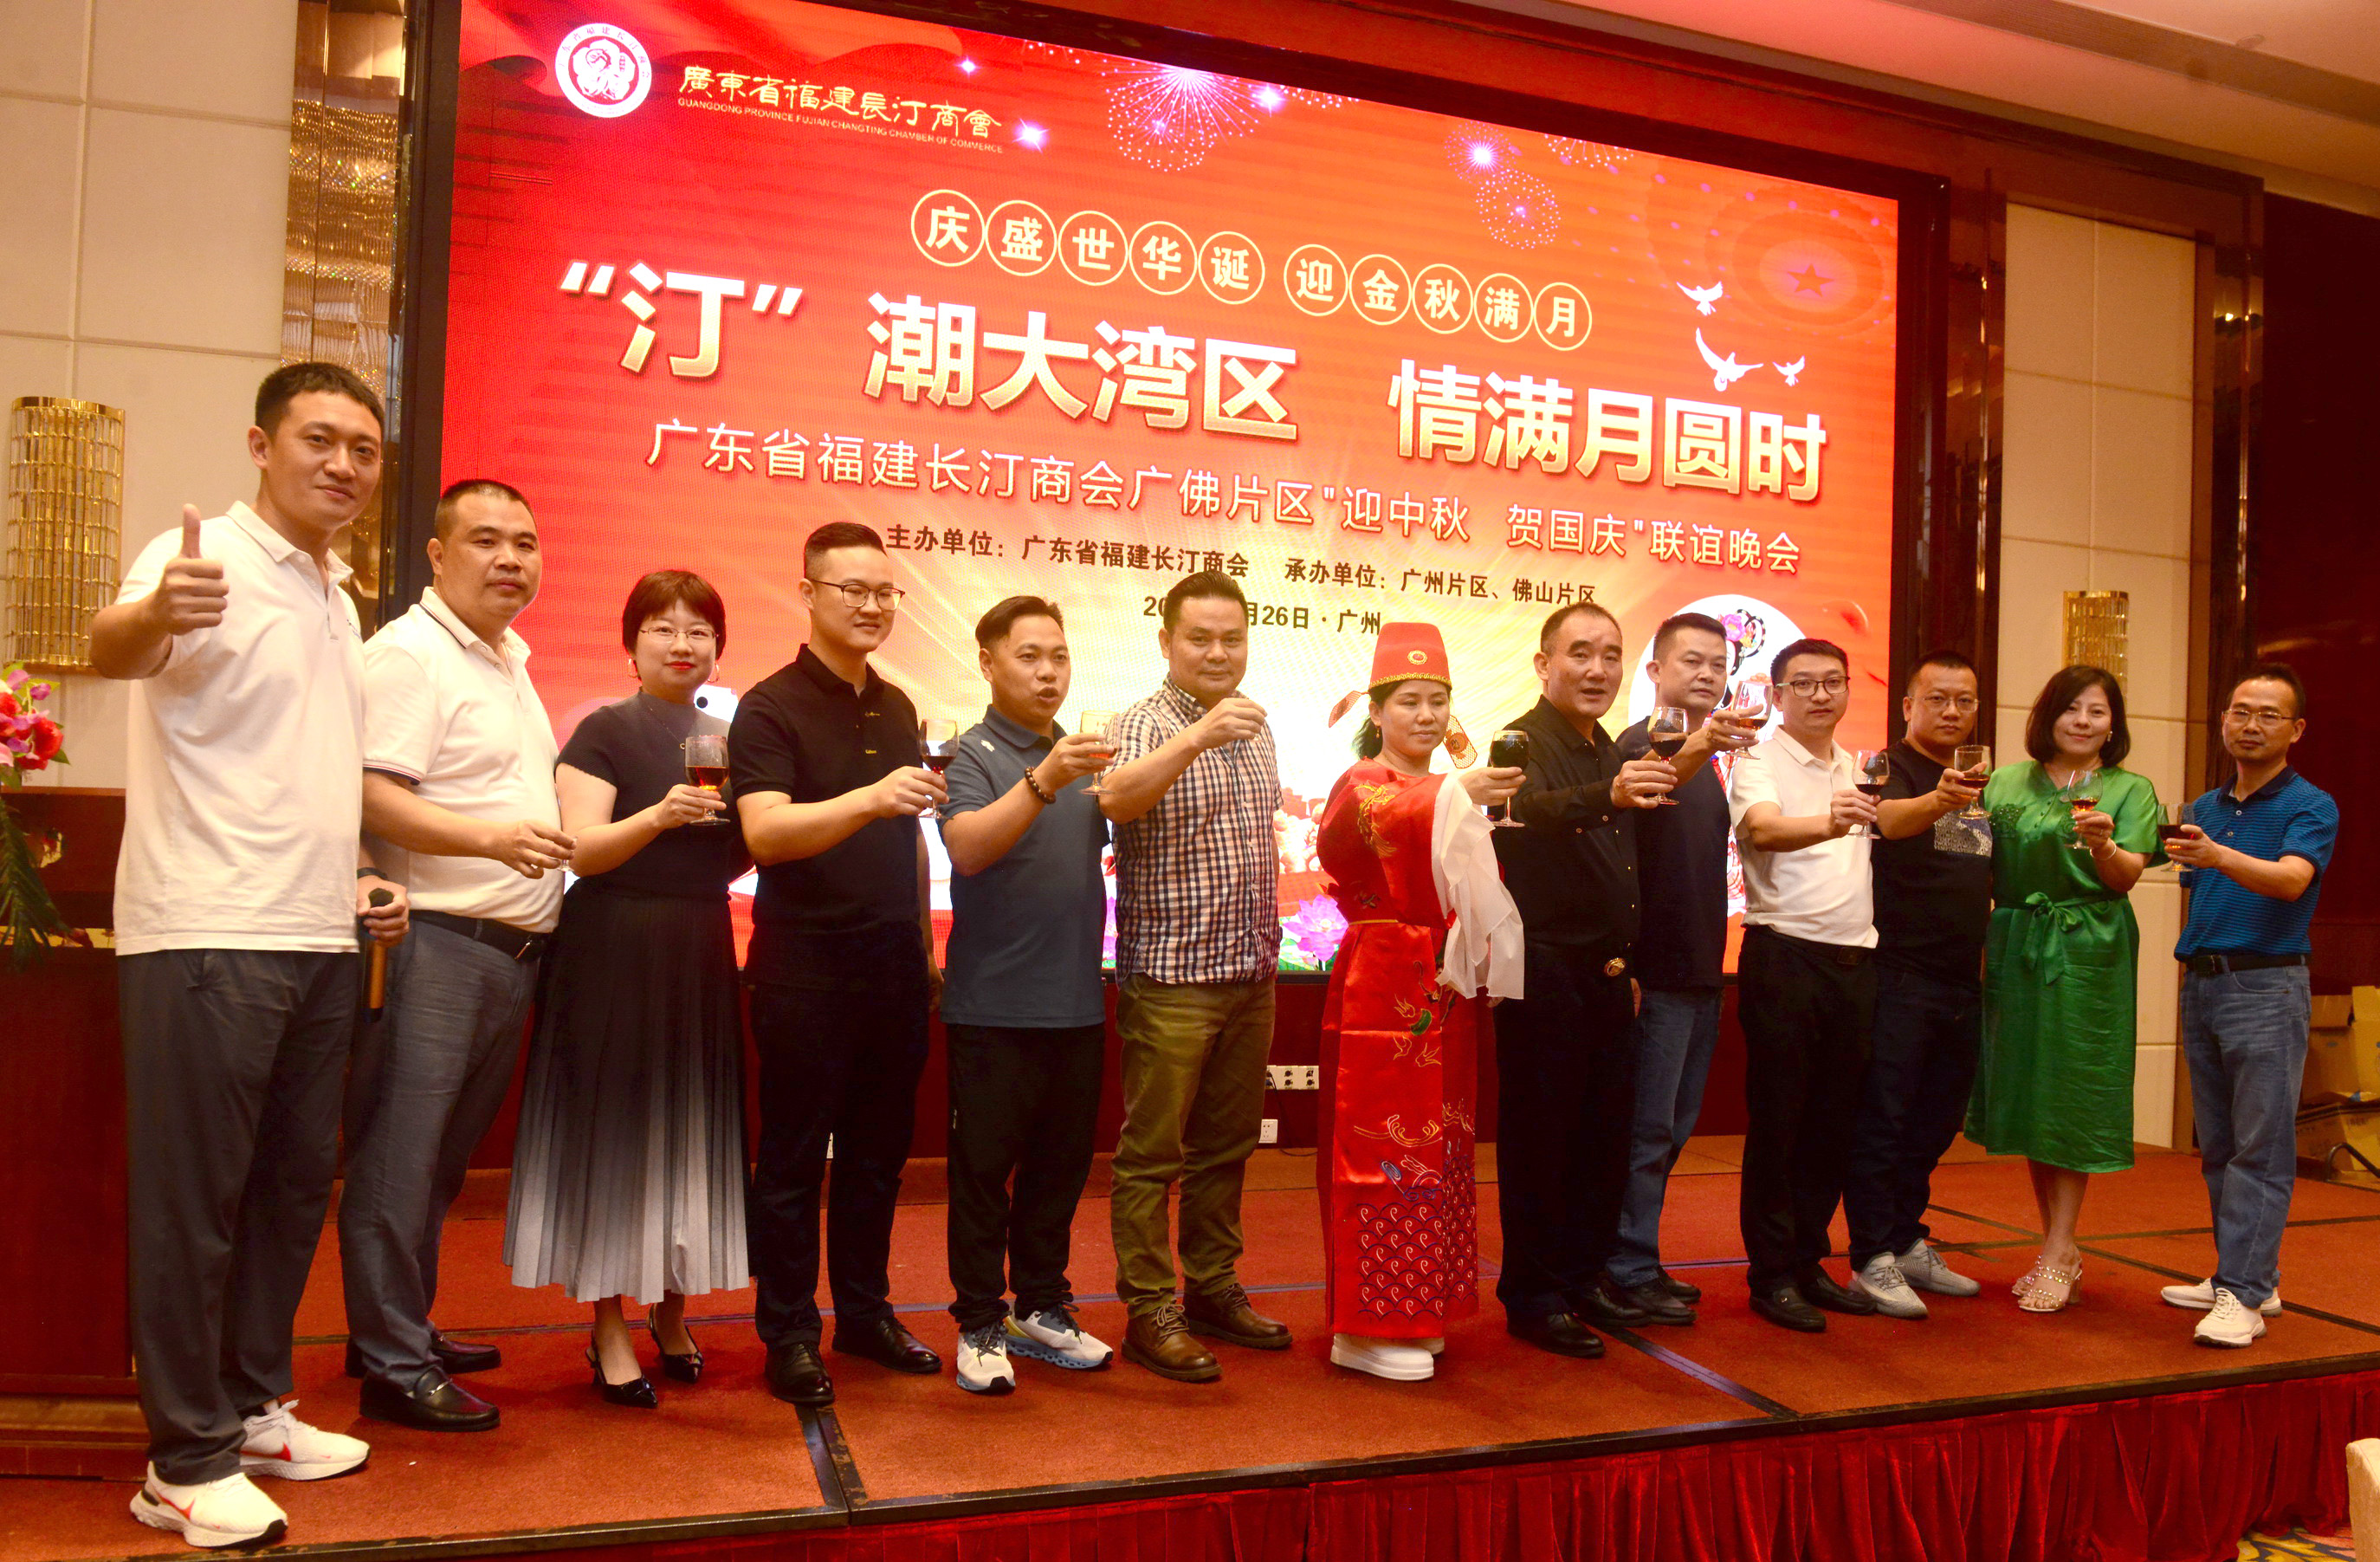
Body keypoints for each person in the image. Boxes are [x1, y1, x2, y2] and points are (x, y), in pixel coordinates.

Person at [90, 362, 402, 1548]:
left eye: (363, 448)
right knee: (195, 1204)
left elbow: (305, 761)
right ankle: (181, 1459)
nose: (343, 465)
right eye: (319, 439)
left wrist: (357, 875)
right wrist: (155, 613)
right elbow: (115, 647)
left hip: (317, 929)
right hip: (206, 927)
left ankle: (253, 1407)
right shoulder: (201, 559)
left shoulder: (336, 592)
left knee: (287, 1189)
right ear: (262, 445)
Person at [346, 478, 570, 1431]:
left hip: (504, 951)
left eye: (525, 541)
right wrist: (492, 841)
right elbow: (370, 795)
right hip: (436, 943)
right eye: (485, 540)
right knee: (400, 1160)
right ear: (437, 556)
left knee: (436, 1164)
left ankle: (401, 1327)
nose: (510, 558)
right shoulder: (412, 655)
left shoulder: (506, 657)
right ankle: (391, 1364)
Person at [505, 571, 749, 1406]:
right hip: (612, 945)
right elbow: (580, 848)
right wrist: (657, 817)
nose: (682, 644)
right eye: (662, 629)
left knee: (690, 1126)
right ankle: (608, 1322)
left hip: (699, 945)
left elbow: (736, 851)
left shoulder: (728, 738)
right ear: (631, 644)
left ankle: (673, 1312)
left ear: (718, 649)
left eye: (699, 631)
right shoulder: (603, 729)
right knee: (613, 1136)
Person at [730, 523, 945, 1409]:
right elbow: (765, 833)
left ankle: (863, 1313)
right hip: (804, 973)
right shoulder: (769, 706)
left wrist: (925, 945)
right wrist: (868, 797)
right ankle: (788, 1331)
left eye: (884, 591)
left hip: (893, 970)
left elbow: (909, 836)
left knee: (875, 1159)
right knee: (790, 1162)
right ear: (809, 592)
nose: (871, 605)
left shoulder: (896, 706)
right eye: (852, 589)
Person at [1315, 623, 1523, 1381]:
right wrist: (1457, 793)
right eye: (1409, 701)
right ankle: (1363, 1324)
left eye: (1438, 700)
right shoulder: (1363, 782)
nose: (1427, 715)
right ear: (1377, 710)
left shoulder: (1436, 788)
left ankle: (1419, 1305)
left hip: (1442, 979)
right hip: (1381, 979)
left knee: (1440, 1143)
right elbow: (1376, 822)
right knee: (1379, 1150)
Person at [1097, 571, 1283, 1383]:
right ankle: (1149, 1308)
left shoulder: (1257, 724)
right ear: (1166, 641)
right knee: (1151, 1154)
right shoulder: (1140, 723)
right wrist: (1198, 737)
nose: (1217, 652)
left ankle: (1211, 1285)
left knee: (1227, 1146)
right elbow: (1116, 800)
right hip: (1173, 980)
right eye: (1200, 638)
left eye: (1231, 639)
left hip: (1251, 974)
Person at [935, 596, 1118, 1396]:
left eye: (1059, 656)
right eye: (1029, 656)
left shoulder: (1082, 756)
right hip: (992, 1006)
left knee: (1059, 1171)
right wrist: (1046, 778)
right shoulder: (969, 753)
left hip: (1076, 999)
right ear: (988, 663)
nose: (1049, 673)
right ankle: (979, 1320)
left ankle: (1042, 1305)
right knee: (983, 1175)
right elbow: (969, 849)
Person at [1493, 602, 1677, 1358]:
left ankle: (1583, 1275)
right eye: (1581, 653)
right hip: (1545, 971)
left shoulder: (1607, 745)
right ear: (1545, 664)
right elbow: (1521, 810)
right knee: (1542, 1140)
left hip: (1607, 974)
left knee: (1603, 1137)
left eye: (1611, 654)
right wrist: (1609, 794)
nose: (1598, 669)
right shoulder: (1520, 739)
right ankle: (1534, 1295)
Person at [1967, 664, 2161, 1314]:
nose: (2082, 721)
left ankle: (2058, 1248)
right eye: (2070, 708)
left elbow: (2126, 877)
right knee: (2031, 1093)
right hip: (2016, 941)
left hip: (2089, 945)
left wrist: (2103, 847)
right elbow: (1963, 857)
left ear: (2113, 725)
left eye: (2097, 711)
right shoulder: (2002, 781)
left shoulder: (2130, 789)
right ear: (2046, 715)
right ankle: (2058, 1245)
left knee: (2073, 1091)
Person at [2161, 664, 2338, 1347]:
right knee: (2220, 1146)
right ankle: (2245, 1275)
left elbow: (2292, 881)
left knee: (2260, 1148)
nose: (2251, 725)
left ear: (2296, 729)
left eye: (2268, 714)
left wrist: (2217, 855)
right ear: (2224, 721)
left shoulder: (2310, 805)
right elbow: (2193, 876)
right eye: (2240, 711)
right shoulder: (2205, 807)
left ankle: (2245, 1292)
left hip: (2266, 985)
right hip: (2203, 982)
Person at [1605, 612, 1759, 1324]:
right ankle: (1625, 1266)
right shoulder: (1644, 745)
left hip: (1701, 970)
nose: (1706, 674)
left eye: (1717, 665)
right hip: (1656, 975)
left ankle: (1637, 1254)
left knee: (1671, 1129)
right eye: (1691, 661)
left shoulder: (1713, 761)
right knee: (1644, 1132)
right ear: (1655, 671)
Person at [1727, 638, 1882, 1332]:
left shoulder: (1857, 765)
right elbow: (1762, 830)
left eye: (1833, 682)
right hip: (1785, 955)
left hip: (1855, 962)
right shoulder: (1759, 759)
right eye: (1805, 684)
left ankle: (1809, 1259)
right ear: (1778, 694)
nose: (1821, 695)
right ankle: (1770, 1274)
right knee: (1780, 1120)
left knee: (1832, 1123)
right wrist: (1832, 820)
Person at [1843, 651, 1995, 1319]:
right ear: (1908, 705)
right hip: (1899, 972)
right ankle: (1870, 1254)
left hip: (1962, 977)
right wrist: (1941, 798)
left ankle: (1906, 1239)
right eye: (1938, 698)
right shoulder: (1888, 766)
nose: (1953, 711)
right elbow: (1884, 821)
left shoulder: (1975, 777)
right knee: (1885, 1118)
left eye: (1965, 700)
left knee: (1936, 1120)